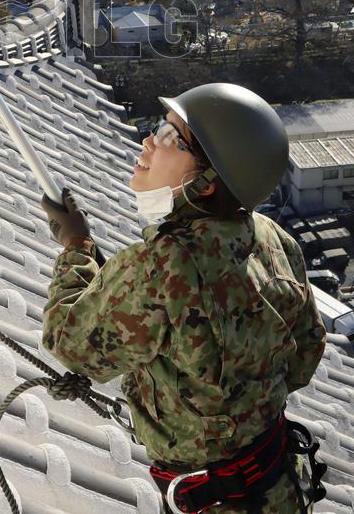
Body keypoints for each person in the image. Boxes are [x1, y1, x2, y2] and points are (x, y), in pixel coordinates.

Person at [41, 82, 328, 514]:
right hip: (277, 484)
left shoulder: (164, 264)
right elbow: (306, 353)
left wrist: (76, 247)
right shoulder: (272, 239)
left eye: (172, 137)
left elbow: (71, 343)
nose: (149, 142)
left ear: (208, 183)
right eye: (160, 129)